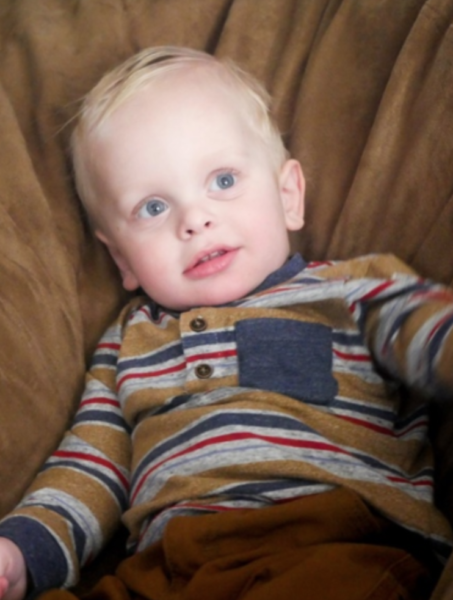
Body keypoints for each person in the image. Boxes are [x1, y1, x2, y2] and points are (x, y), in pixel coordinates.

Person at [0, 45, 452, 600]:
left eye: (223, 180)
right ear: (121, 258)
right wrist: (21, 550)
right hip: (168, 566)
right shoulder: (128, 343)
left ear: (287, 195)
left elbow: (427, 332)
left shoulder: (350, 290)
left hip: (326, 540)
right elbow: (90, 463)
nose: (195, 219)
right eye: (153, 207)